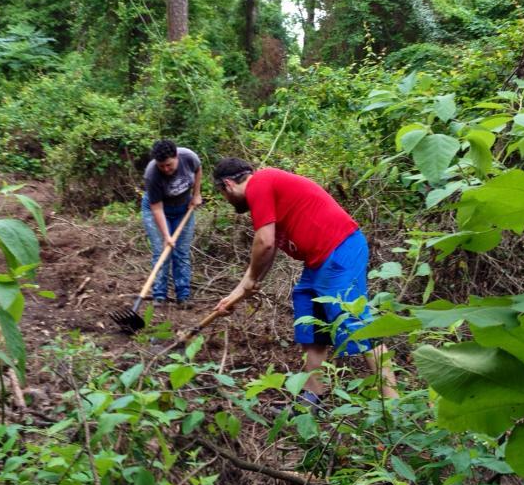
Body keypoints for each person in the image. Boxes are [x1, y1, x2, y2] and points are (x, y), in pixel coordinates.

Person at [212, 158, 397, 407]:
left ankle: (394, 405)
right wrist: (236, 294)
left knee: (356, 324)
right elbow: (268, 252)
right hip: (317, 262)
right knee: (310, 323)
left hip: (340, 249)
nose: (227, 200)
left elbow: (264, 242)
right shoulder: (268, 192)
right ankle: (312, 397)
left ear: (227, 185)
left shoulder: (260, 183)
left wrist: (248, 284)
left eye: (222, 194)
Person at [142, 139, 202, 307]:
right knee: (162, 251)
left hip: (184, 208)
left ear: (176, 156)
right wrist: (167, 236)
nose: (166, 169)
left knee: (181, 252)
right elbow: (157, 209)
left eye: (169, 165)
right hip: (158, 210)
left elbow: (198, 170)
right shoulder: (151, 174)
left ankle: (183, 296)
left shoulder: (189, 157)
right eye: (162, 166)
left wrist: (196, 194)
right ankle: (159, 296)